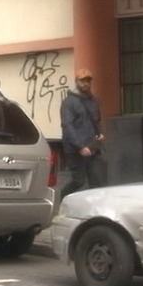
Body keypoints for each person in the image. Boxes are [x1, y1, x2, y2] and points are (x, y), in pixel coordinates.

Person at [59, 68, 107, 200]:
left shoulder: (94, 100)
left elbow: (97, 120)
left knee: (96, 182)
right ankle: (63, 197)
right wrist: (80, 146)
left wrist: (101, 133)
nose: (86, 84)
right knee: (79, 181)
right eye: (83, 81)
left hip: (93, 147)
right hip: (75, 150)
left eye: (88, 81)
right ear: (76, 82)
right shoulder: (69, 102)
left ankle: (93, 211)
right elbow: (68, 126)